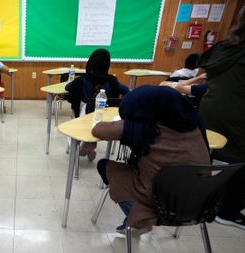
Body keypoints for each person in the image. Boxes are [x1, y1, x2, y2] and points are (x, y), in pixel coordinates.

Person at [93, 85, 210, 234]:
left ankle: (139, 218)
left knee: (105, 166)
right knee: (135, 163)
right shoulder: (195, 125)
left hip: (163, 202)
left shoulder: (146, 128)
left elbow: (98, 130)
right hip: (199, 203)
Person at [198, 6, 245, 230]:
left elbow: (212, 81)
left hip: (208, 113)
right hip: (234, 118)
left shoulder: (227, 47)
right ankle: (228, 211)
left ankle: (204, 197)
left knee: (209, 154)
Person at [65, 49, 129, 161]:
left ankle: (86, 145)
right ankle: (90, 145)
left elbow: (68, 87)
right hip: (106, 116)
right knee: (95, 123)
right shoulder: (112, 81)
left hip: (84, 114)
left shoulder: (83, 79)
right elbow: (127, 91)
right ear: (107, 65)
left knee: (81, 121)